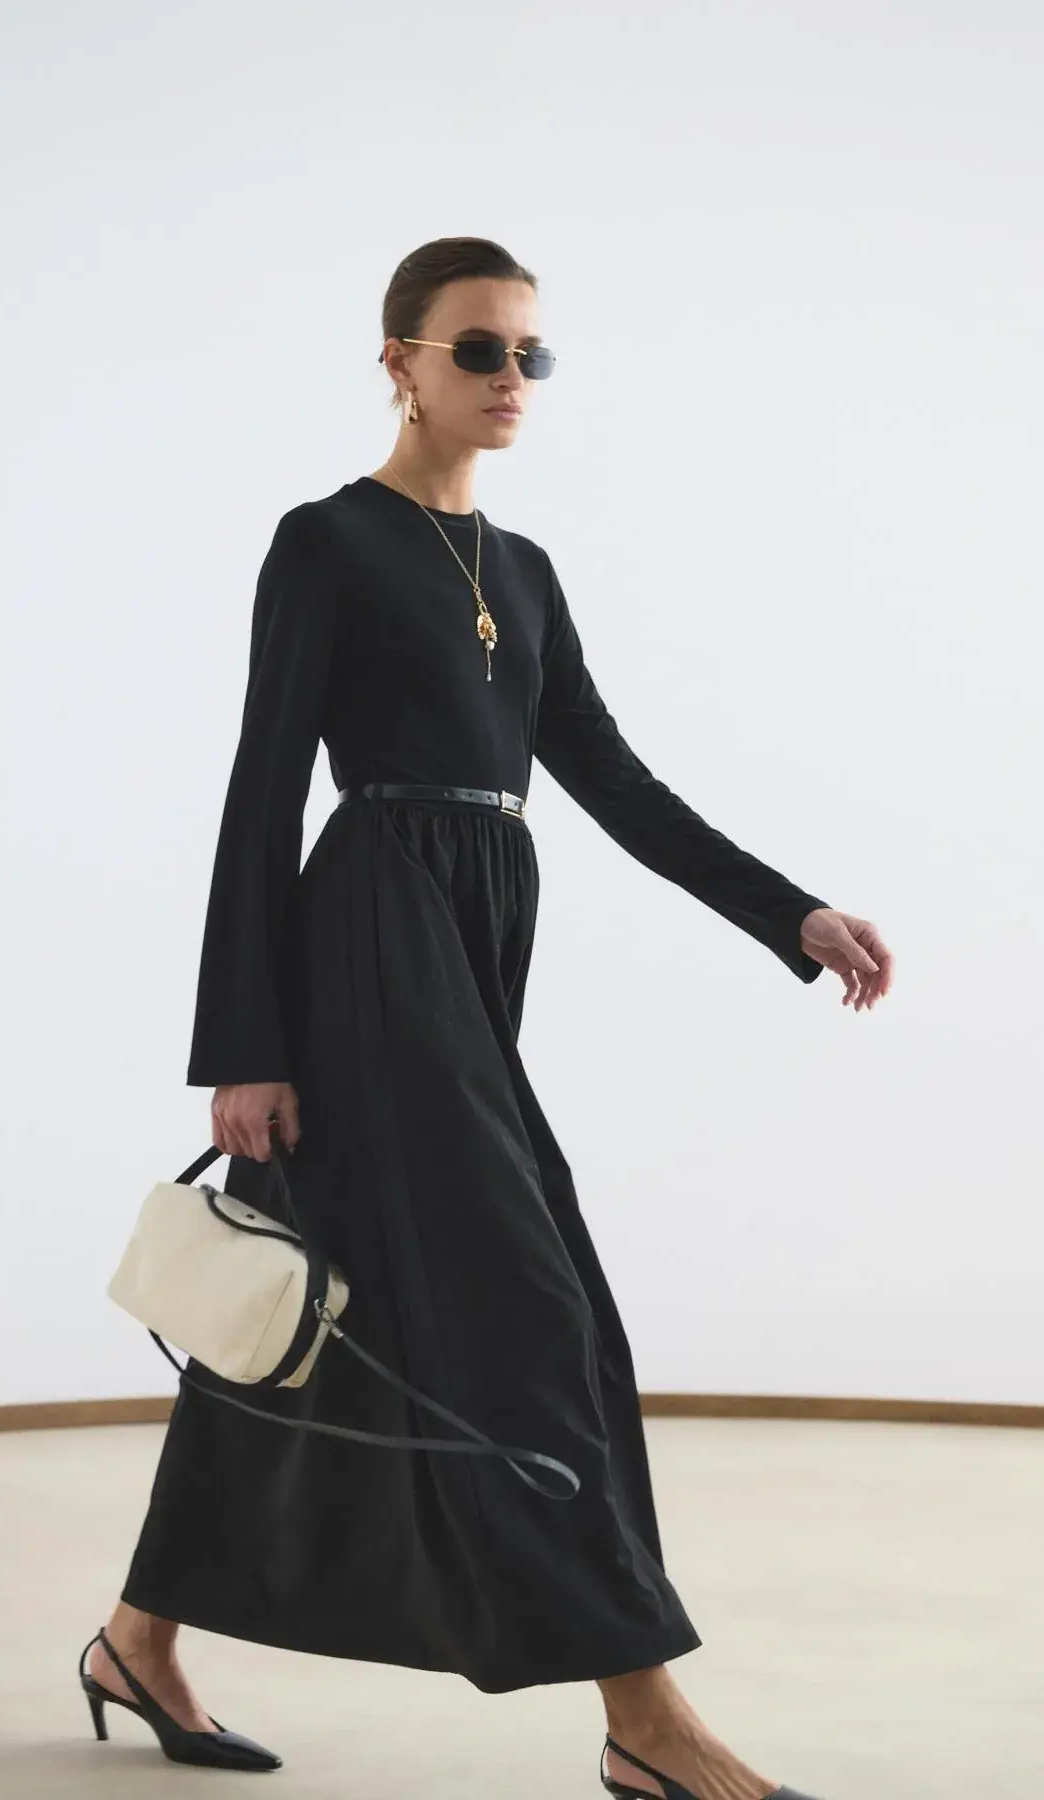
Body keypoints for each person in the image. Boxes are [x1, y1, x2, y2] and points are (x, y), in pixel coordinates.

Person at [77, 237, 894, 1794]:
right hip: (368, 940)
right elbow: (259, 793)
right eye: (478, 350)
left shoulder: (523, 573)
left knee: (304, 1315)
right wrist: (242, 1045)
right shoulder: (327, 542)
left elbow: (616, 781)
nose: (511, 378)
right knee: (533, 1308)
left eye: (531, 354)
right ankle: (646, 1721)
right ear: (399, 360)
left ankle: (137, 1640)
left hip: (472, 944)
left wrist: (789, 913)